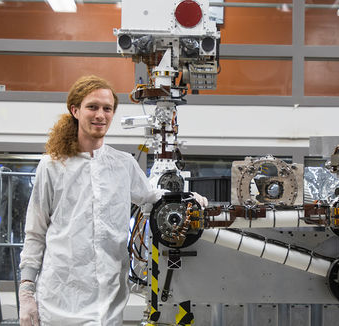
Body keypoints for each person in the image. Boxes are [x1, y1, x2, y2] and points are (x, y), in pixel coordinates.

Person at [18, 75, 207, 325]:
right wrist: (27, 292)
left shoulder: (123, 164)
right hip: (60, 299)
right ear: (75, 110)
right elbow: (35, 232)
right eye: (92, 107)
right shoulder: (52, 166)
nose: (100, 115)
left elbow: (152, 199)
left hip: (109, 300)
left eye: (107, 109)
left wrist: (188, 200)